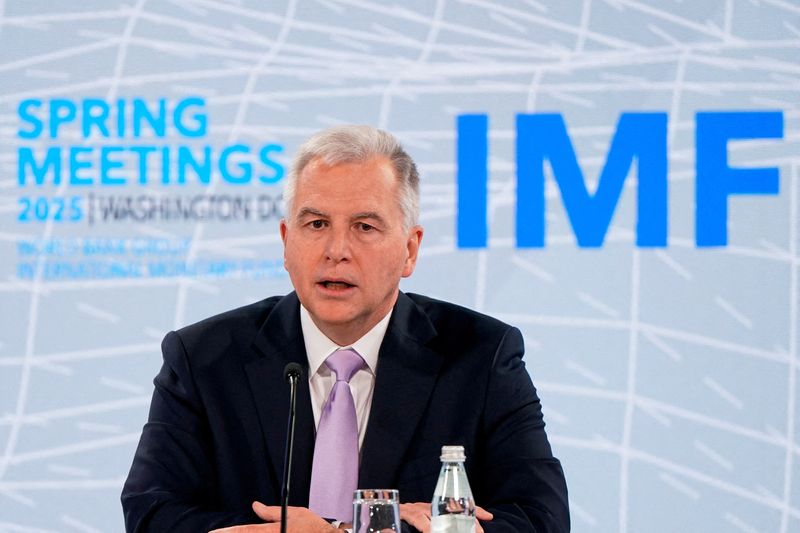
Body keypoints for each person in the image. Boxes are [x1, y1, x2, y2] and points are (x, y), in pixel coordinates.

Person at [121, 125, 569, 532]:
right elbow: (151, 513)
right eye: (316, 224)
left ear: (410, 250)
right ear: (285, 242)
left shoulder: (481, 356)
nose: (336, 250)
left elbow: (541, 518)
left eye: (364, 226)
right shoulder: (203, 358)